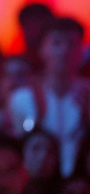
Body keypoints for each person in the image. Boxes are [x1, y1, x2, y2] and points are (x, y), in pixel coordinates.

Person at [8, 16, 90, 177]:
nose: (64, 51)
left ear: (82, 50)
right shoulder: (23, 97)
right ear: (42, 49)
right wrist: (37, 115)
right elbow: (22, 134)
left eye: (72, 44)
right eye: (56, 43)